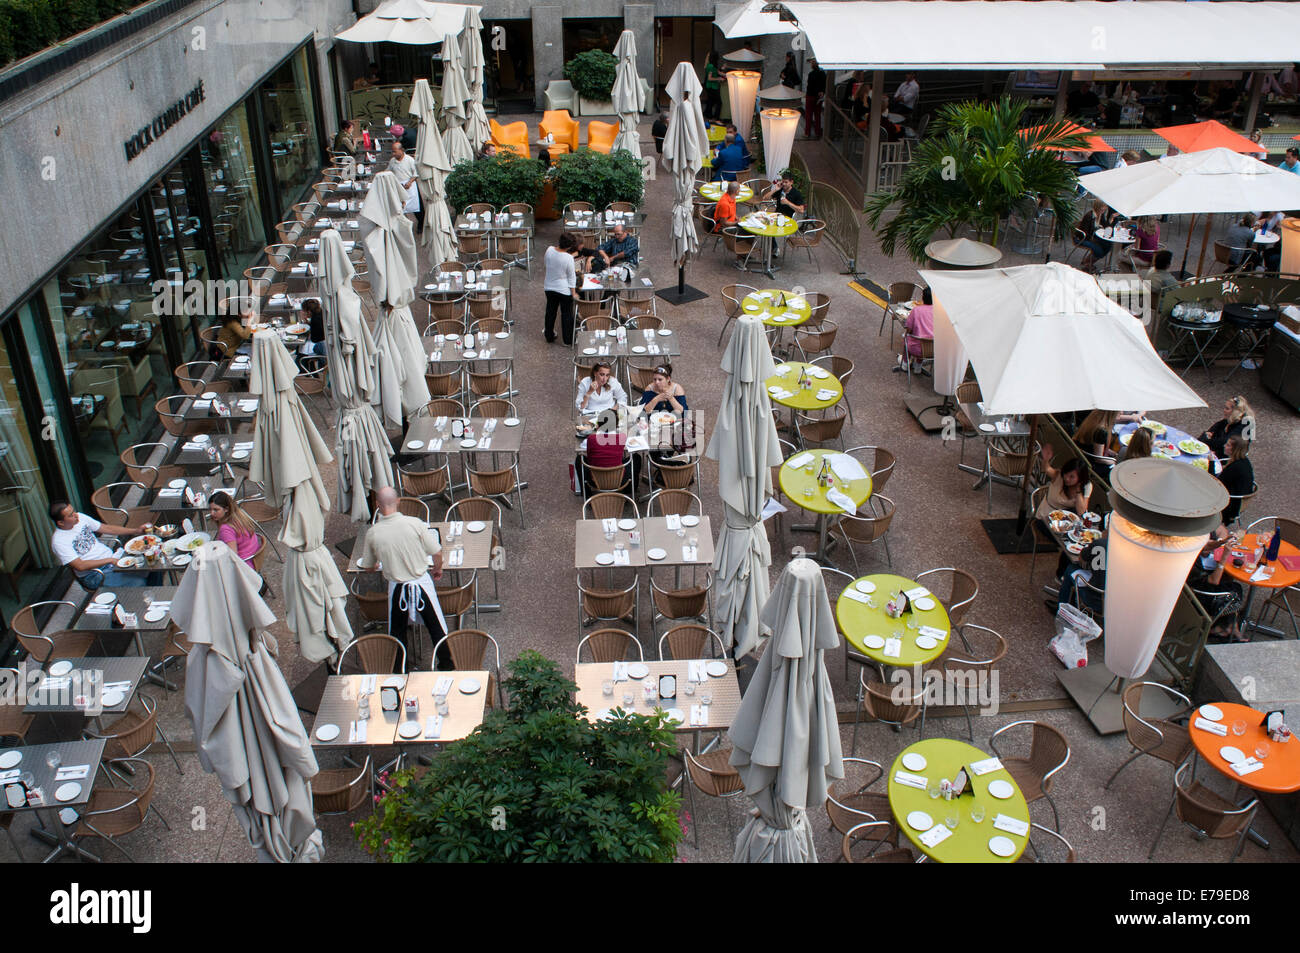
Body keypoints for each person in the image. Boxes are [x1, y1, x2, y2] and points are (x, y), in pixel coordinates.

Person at [354, 486, 450, 669]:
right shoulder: (415, 523)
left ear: (377, 505)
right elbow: (437, 553)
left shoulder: (373, 533)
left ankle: (401, 672)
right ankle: (447, 667)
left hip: (397, 587)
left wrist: (376, 564)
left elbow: (368, 567)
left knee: (397, 634)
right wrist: (438, 569)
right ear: (398, 501)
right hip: (421, 583)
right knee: (437, 629)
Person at [49, 501, 152, 588]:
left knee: (152, 564)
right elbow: (80, 566)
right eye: (71, 515)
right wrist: (110, 560)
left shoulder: (80, 518)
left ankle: (157, 600)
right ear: (61, 523)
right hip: (94, 574)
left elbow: (106, 528)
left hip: (113, 559)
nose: (76, 515)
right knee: (138, 583)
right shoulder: (59, 541)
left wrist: (136, 531)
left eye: (74, 511)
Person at [1036, 451, 1093, 581]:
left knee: (1077, 542)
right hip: (1045, 517)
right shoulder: (1059, 476)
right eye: (1067, 474)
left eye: (1072, 477)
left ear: (1080, 478)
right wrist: (1046, 459)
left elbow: (1081, 511)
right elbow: (1046, 469)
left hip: (1066, 520)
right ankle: (1061, 575)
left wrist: (1078, 490)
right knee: (1069, 545)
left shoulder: (1086, 486)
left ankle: (1066, 574)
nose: (1067, 478)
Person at [1046, 538, 1106, 616]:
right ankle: (1071, 599)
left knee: (1071, 568)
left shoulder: (1100, 543)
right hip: (1114, 603)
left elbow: (1081, 558)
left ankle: (1062, 608)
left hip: (1094, 600)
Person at [543, 232, 579, 345]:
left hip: (549, 287)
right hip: (564, 290)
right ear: (569, 246)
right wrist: (573, 293)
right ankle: (567, 340)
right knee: (567, 315)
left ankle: (549, 335)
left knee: (550, 312)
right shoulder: (568, 258)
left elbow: (546, 263)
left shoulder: (549, 250)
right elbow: (571, 277)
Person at [209, 491, 260, 569]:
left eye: (216, 510)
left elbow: (233, 556)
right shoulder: (239, 515)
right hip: (254, 557)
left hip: (244, 566)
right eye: (210, 509)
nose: (212, 513)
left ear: (226, 509)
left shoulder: (226, 529)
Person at [1217, 435, 1254, 526]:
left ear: (1235, 450)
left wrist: (1210, 464)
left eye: (1228, 445)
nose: (1224, 446)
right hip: (1237, 497)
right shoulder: (1243, 461)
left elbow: (1217, 483)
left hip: (1231, 503)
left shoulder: (1235, 468)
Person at [895, 286, 933, 373]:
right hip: (934, 349)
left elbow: (909, 329)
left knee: (906, 336)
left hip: (916, 349)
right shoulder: (939, 312)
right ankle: (918, 367)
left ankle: (905, 365)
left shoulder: (916, 310)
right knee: (924, 337)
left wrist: (906, 334)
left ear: (923, 297)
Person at [388, 140, 422, 232]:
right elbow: (389, 171)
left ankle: (420, 224)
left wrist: (410, 182)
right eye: (393, 151)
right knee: (400, 206)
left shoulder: (409, 160)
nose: (393, 153)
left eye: (395, 151)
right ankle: (402, 226)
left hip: (409, 184)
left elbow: (415, 173)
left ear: (401, 150)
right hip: (399, 185)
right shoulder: (392, 161)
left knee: (416, 207)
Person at [1076, 200, 1117, 272]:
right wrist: (1095, 240)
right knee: (1099, 251)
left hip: (1093, 237)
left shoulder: (1100, 215)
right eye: (1103, 207)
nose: (1104, 209)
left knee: (1108, 245)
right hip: (1083, 238)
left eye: (1105, 207)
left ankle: (1087, 262)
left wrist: (1110, 219)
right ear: (1098, 206)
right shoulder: (1089, 216)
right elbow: (1084, 233)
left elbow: (1106, 227)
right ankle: (1087, 263)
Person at [804, 58, 826, 138]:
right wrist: (821, 92)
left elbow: (809, 86)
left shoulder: (811, 74)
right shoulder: (823, 74)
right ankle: (818, 133)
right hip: (819, 97)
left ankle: (807, 132)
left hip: (810, 96)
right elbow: (824, 85)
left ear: (813, 65)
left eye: (812, 63)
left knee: (808, 115)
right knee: (817, 115)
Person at [702, 52, 722, 121]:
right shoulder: (711, 66)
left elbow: (718, 72)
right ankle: (715, 117)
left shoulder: (711, 65)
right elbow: (709, 78)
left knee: (710, 101)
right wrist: (718, 79)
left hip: (710, 86)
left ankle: (708, 114)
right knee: (718, 102)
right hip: (712, 86)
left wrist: (726, 75)